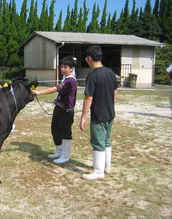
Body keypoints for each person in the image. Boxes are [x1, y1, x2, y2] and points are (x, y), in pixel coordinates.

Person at [79, 45, 118, 180]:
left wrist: (83, 117)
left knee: (98, 142)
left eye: (86, 59)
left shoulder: (92, 75)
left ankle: (98, 171)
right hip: (110, 113)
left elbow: (88, 97)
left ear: (89, 58)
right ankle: (107, 167)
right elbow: (114, 92)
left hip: (99, 114)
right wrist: (111, 106)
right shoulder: (110, 73)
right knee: (106, 140)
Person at [32, 56, 77, 164]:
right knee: (55, 130)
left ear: (71, 68)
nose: (62, 69)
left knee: (66, 133)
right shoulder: (65, 78)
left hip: (66, 111)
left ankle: (65, 156)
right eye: (61, 66)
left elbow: (55, 89)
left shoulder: (70, 81)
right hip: (58, 108)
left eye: (65, 67)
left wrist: (39, 92)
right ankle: (59, 151)